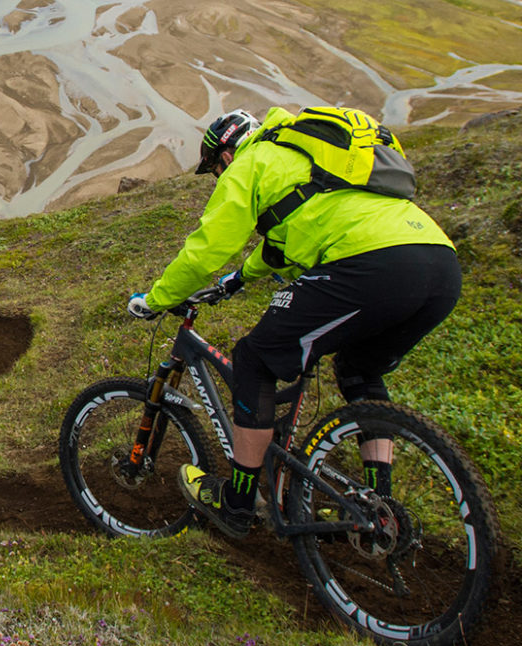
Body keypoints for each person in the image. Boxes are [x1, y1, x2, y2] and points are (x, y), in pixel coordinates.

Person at [128, 106, 460, 538]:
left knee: (255, 359)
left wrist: (156, 300)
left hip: (370, 265)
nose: (218, 176)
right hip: (438, 262)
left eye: (214, 169)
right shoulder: (310, 156)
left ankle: (238, 502)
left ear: (225, 154)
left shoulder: (251, 163)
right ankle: (379, 506)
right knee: (359, 371)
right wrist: (238, 280)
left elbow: (205, 251)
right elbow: (288, 237)